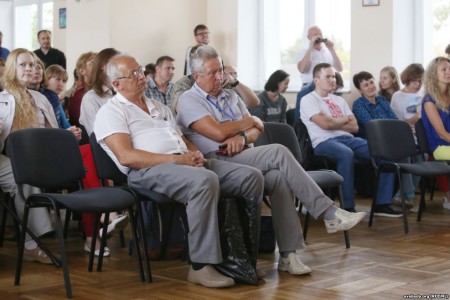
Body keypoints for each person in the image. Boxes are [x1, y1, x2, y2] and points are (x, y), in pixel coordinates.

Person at [177, 45, 366, 276]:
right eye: (213, 73)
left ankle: (288, 255)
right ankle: (328, 212)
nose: (220, 77)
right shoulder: (188, 100)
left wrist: (243, 134)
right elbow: (217, 133)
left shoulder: (230, 95)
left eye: (221, 70)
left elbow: (258, 127)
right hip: (215, 160)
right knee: (277, 152)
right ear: (197, 76)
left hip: (244, 154)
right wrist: (249, 122)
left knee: (278, 178)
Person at [94, 53, 265, 288]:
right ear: (117, 84)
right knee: (204, 181)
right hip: (147, 170)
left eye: (141, 70)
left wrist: (195, 155)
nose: (142, 76)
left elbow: (182, 138)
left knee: (250, 177)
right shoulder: (111, 112)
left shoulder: (158, 106)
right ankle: (200, 266)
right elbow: (127, 156)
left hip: (183, 161)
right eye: (133, 74)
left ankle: (241, 261)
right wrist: (177, 161)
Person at [0, 48, 77, 264]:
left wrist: (66, 135)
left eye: (32, 65)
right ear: (12, 68)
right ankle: (32, 244)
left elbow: (53, 131)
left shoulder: (40, 98)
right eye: (23, 64)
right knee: (22, 176)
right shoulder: (1, 100)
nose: (29, 69)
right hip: (8, 158)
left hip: (40, 157)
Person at [300, 63, 401, 217]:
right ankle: (347, 207)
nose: (332, 80)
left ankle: (382, 204)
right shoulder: (308, 100)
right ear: (316, 80)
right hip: (323, 142)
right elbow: (325, 125)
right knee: (346, 154)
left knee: (384, 152)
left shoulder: (339, 100)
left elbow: (354, 127)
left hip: (348, 139)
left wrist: (333, 121)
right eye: (328, 76)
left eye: (333, 76)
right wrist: (341, 120)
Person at [352, 71, 417, 210]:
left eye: (371, 82)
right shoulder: (359, 105)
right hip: (373, 142)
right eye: (365, 85)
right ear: (360, 89)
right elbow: (371, 125)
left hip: (389, 138)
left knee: (410, 151)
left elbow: (393, 120)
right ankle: (406, 193)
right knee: (401, 153)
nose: (370, 86)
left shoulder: (381, 100)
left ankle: (405, 193)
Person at [421, 57, 450, 209]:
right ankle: (448, 197)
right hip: (439, 146)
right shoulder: (429, 100)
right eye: (443, 70)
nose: (448, 72)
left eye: (449, 69)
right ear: (434, 74)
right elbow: (442, 134)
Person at [80, 48, 120, 136]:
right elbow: (97, 135)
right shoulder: (91, 98)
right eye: (116, 63)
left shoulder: (121, 94)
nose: (121, 67)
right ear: (103, 66)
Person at [28, 56, 74, 131]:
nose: (61, 84)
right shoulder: (25, 94)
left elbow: (64, 124)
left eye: (64, 81)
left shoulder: (52, 96)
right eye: (58, 79)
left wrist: (71, 130)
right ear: (47, 78)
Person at [66, 52, 97, 127]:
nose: (98, 66)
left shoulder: (108, 90)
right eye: (93, 63)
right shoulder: (78, 95)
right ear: (82, 70)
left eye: (99, 63)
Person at [391, 63, 425, 130]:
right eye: (414, 81)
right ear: (407, 79)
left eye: (420, 81)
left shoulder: (424, 93)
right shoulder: (397, 96)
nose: (418, 85)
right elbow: (398, 124)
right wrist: (419, 114)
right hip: (406, 133)